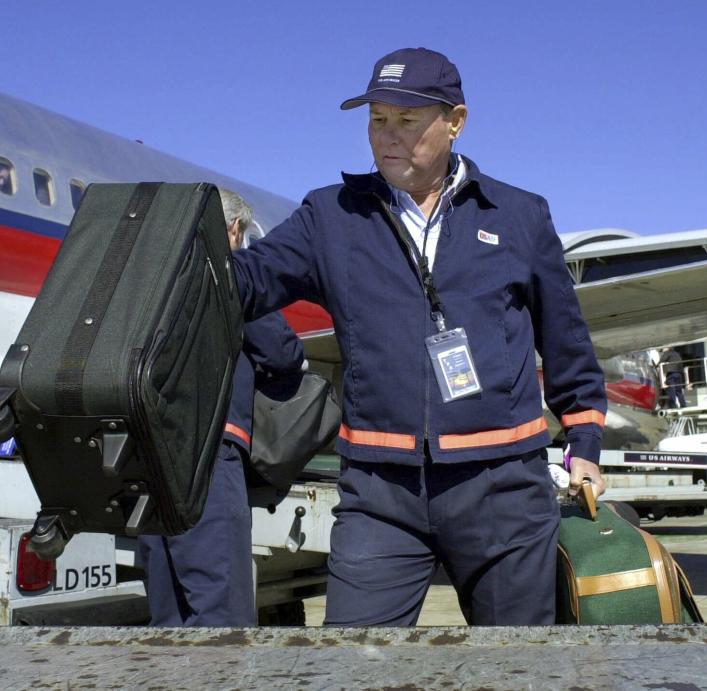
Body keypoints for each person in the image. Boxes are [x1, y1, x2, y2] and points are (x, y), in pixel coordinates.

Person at [233, 47, 607, 626]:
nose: (388, 136)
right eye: (377, 120)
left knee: (515, 670)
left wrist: (583, 443)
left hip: (502, 487)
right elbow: (246, 282)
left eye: (407, 121)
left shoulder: (518, 215)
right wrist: (176, 257)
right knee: (354, 665)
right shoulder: (330, 217)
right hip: (380, 495)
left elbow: (566, 340)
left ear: (455, 122)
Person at [136, 189, 305, 626]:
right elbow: (281, 352)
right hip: (208, 451)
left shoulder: (145, 276)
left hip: (148, 456)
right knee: (220, 608)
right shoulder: (224, 272)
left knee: (168, 607)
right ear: (233, 229)